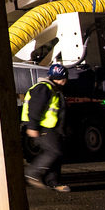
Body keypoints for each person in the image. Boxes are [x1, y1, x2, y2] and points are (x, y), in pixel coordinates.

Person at [23, 63, 70, 193]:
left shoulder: (54, 89)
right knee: (54, 152)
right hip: (44, 128)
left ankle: (53, 183)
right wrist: (32, 126)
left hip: (52, 128)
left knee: (57, 155)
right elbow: (35, 108)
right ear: (63, 78)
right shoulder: (44, 88)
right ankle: (32, 172)